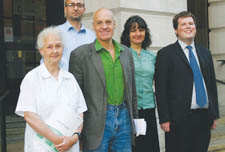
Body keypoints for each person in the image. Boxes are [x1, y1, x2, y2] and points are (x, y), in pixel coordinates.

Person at [69, 8, 138, 152]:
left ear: (114, 24)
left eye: (108, 22)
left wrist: (134, 122)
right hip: (96, 123)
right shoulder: (80, 55)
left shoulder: (126, 53)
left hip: (124, 119)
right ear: (93, 26)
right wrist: (76, 132)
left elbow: (132, 92)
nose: (104, 26)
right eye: (99, 23)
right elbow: (74, 99)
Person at [154, 11, 219, 152]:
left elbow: (211, 86)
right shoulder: (165, 54)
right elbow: (161, 89)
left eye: (191, 23)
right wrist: (164, 118)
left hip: (203, 117)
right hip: (178, 120)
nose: (188, 27)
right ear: (176, 30)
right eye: (183, 24)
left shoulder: (205, 53)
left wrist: (214, 114)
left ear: (195, 27)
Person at [15, 26, 87, 152]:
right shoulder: (32, 78)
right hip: (41, 148)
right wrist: (57, 140)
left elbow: (79, 113)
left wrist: (73, 139)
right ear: (41, 51)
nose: (54, 51)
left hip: (69, 147)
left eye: (58, 46)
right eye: (49, 47)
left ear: (63, 49)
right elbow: (30, 116)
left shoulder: (70, 79)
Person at [121, 15, 160, 152]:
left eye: (141, 30)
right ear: (127, 33)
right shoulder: (122, 55)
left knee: (150, 147)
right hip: (130, 110)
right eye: (133, 30)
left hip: (149, 108)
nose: (138, 34)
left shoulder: (152, 57)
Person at [57, 0, 95, 70]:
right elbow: (47, 63)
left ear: (84, 9)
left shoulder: (93, 36)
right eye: (71, 5)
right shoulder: (55, 33)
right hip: (63, 80)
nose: (75, 8)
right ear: (65, 9)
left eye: (79, 5)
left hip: (87, 81)